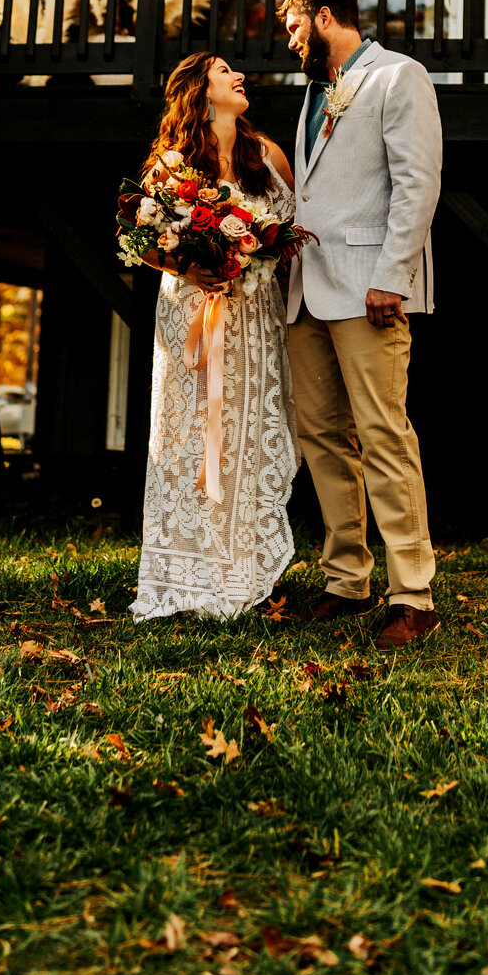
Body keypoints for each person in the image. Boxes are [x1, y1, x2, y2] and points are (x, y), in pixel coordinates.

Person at [278, 0, 443, 651]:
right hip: (307, 289)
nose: (290, 43)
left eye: (293, 28)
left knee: (383, 434)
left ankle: (414, 595)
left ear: (324, 17)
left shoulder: (398, 77)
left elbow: (417, 180)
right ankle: (347, 578)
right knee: (321, 435)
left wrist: (391, 277)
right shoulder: (315, 93)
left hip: (369, 288)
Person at [131, 52, 299, 620]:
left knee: (247, 429)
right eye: (226, 72)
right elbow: (142, 243)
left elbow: (287, 232)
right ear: (201, 91)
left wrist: (258, 252)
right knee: (190, 435)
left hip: (255, 314)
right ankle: (187, 570)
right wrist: (187, 266)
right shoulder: (172, 165)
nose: (240, 77)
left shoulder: (266, 156)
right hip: (193, 315)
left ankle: (246, 569)